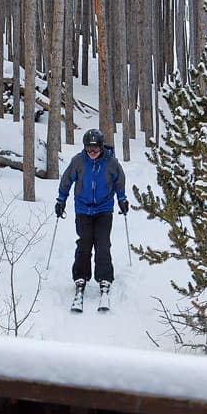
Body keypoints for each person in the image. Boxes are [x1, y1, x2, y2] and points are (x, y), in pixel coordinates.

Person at [55, 129, 128, 310]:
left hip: (104, 208)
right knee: (84, 243)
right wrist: (61, 200)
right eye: (89, 148)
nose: (92, 152)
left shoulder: (111, 162)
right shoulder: (78, 161)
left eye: (95, 149)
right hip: (83, 209)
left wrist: (122, 199)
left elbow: (120, 181)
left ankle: (104, 278)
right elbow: (66, 180)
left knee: (102, 244)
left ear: (101, 147)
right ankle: (81, 277)